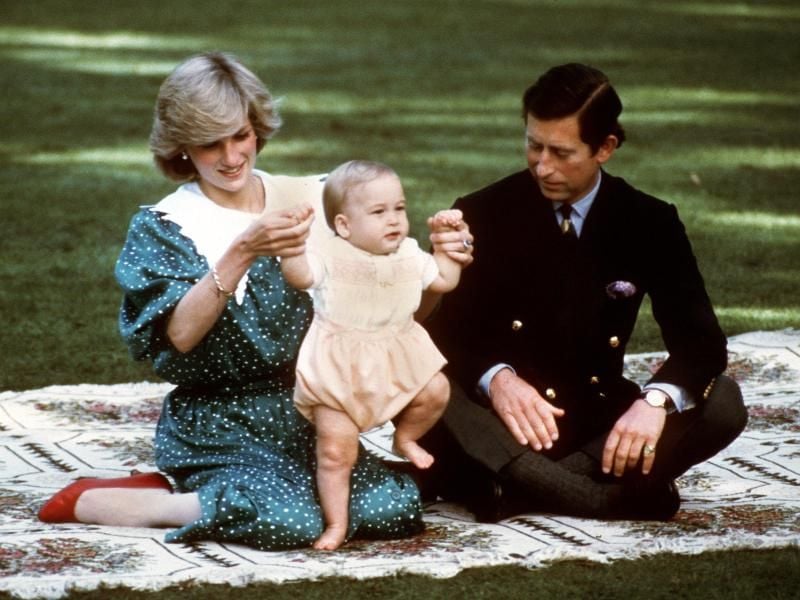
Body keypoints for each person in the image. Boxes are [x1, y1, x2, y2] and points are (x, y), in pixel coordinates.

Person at [37, 52, 473, 550]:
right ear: (181, 147)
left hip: (307, 409)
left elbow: (389, 316)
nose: (230, 157)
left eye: (240, 136)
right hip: (217, 419)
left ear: (257, 128)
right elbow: (178, 337)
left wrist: (440, 269)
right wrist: (243, 250)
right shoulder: (164, 225)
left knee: (393, 508)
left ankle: (240, 494)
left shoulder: (314, 196)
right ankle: (154, 502)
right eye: (209, 143)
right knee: (288, 521)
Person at [422, 63, 748, 522]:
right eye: (534, 146)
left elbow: (701, 343)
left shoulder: (649, 222)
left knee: (723, 401)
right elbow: (439, 334)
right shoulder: (482, 211)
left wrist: (654, 403)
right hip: (494, 425)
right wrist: (497, 379)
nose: (542, 166)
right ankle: (597, 498)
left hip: (593, 423)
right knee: (421, 378)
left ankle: (512, 491)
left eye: (561, 152)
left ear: (605, 148)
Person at [280, 160, 464, 549]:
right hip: (339, 368)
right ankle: (336, 524)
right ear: (344, 225)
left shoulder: (410, 253)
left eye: (399, 207)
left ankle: (405, 438)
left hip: (397, 354)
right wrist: (291, 248)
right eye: (379, 212)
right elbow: (300, 277)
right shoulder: (329, 253)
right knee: (334, 450)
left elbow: (445, 280)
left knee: (436, 389)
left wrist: (447, 243)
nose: (394, 219)